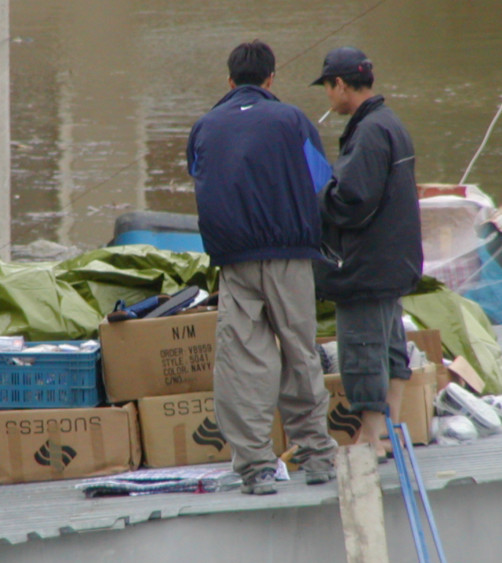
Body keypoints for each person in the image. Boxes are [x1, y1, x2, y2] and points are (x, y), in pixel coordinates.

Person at [187, 40, 338, 495]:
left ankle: (255, 468)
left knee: (243, 361)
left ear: (230, 81)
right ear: (271, 78)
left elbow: (200, 176)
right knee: (299, 351)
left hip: (234, 260)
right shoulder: (293, 119)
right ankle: (315, 457)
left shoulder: (205, 126)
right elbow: (321, 182)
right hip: (291, 255)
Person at [311, 47, 423, 461]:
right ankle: (390, 431)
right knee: (391, 346)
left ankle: (370, 440)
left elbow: (351, 200)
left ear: (340, 85)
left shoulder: (370, 131)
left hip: (367, 265)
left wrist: (316, 195)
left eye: (327, 86)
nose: (327, 96)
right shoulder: (390, 123)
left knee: (361, 348)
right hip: (395, 260)